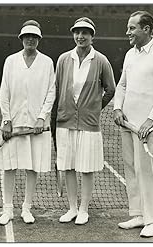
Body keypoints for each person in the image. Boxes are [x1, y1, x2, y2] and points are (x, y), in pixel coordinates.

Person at [113, 11, 153, 237]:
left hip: (147, 126)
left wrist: (150, 119)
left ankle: (151, 220)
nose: (127, 32)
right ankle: (138, 214)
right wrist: (118, 108)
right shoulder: (130, 54)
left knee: (145, 170)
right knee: (130, 166)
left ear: (146, 29)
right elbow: (122, 85)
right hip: (127, 124)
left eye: (132, 28)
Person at [52, 17, 115, 225]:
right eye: (77, 32)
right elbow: (57, 88)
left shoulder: (101, 60)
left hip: (89, 124)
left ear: (92, 36)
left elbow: (110, 89)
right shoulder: (63, 59)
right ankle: (71, 208)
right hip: (65, 121)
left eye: (85, 33)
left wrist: (95, 108)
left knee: (86, 168)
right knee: (68, 166)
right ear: (73, 35)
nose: (80, 36)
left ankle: (84, 209)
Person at [0, 20, 55, 225]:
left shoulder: (47, 62)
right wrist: (7, 120)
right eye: (27, 36)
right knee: (9, 166)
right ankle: (7, 209)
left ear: (38, 39)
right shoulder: (10, 61)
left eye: (34, 36)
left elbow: (51, 92)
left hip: (36, 126)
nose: (31, 39)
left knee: (32, 167)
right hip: (13, 123)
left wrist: (41, 117)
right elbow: (4, 92)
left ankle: (26, 208)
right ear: (21, 39)